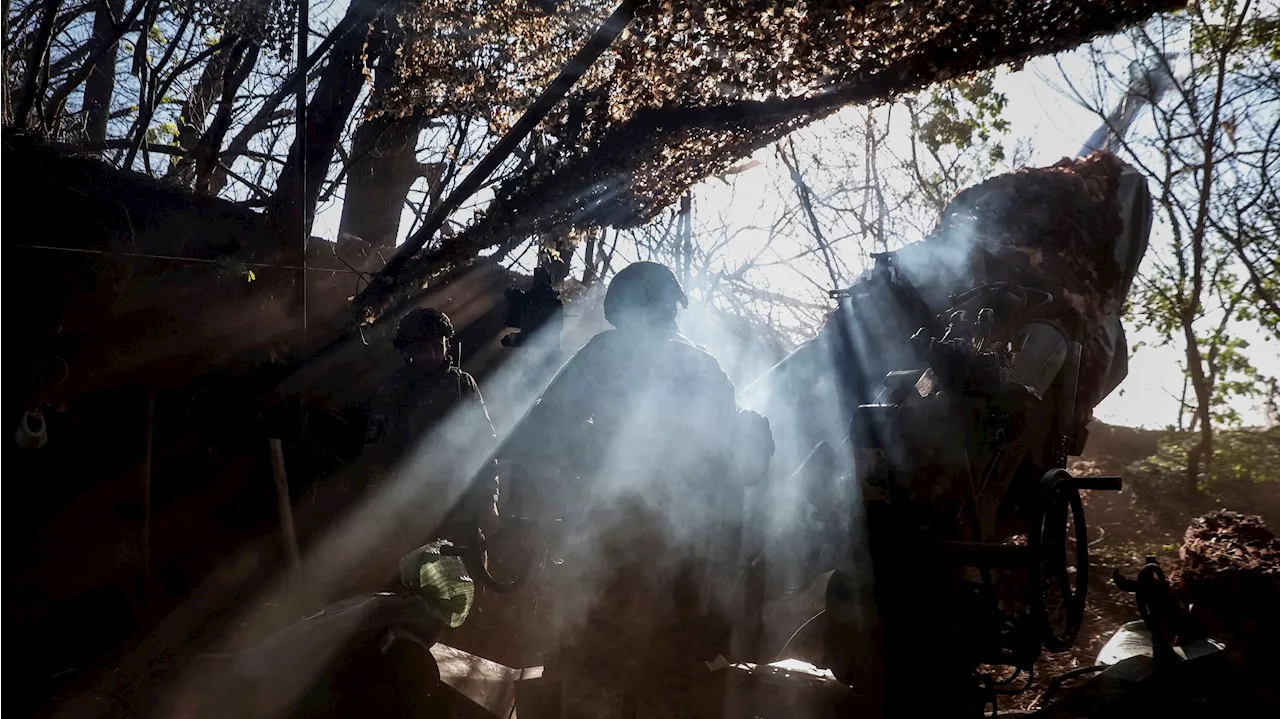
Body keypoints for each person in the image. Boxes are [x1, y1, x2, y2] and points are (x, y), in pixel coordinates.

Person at [501, 262, 773, 718]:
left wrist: (547, 476)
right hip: (687, 553)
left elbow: (547, 423)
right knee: (666, 671)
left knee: (593, 662)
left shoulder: (611, 352)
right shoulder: (704, 365)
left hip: (618, 540)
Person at [355, 308, 498, 594]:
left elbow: (484, 444)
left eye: (438, 345)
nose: (432, 354)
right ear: (407, 350)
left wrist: (491, 500)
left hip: (461, 504)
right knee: (416, 591)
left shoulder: (462, 383)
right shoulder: (395, 390)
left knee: (468, 586)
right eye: (423, 348)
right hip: (413, 509)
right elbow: (376, 456)